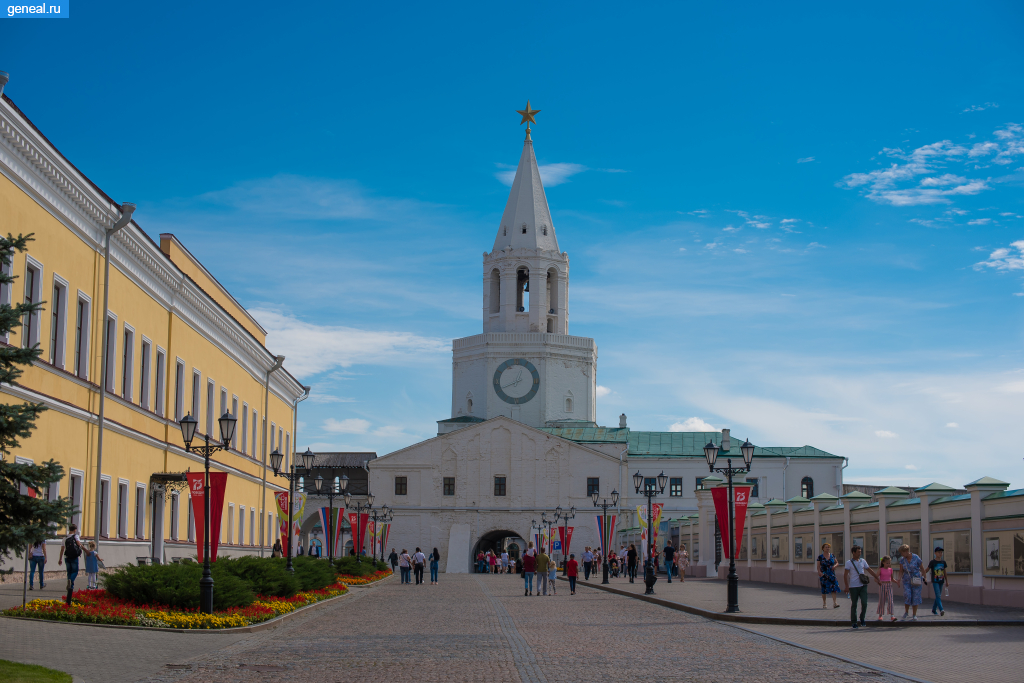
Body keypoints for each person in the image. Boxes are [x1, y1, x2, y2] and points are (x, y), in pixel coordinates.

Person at [843, 544, 878, 628]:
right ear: (853, 553)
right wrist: (846, 586)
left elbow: (869, 569)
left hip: (863, 585)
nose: (860, 553)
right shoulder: (849, 563)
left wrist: (877, 578)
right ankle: (854, 622)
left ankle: (862, 618)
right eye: (858, 552)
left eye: (860, 551)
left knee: (864, 603)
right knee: (854, 604)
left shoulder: (863, 561)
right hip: (853, 586)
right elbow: (845, 575)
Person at [895, 543, 926, 620]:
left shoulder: (916, 558)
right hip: (906, 580)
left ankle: (914, 614)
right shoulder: (902, 560)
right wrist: (898, 579)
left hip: (916, 580)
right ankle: (906, 612)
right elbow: (901, 571)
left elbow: (922, 568)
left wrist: (924, 577)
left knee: (916, 596)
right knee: (907, 595)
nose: (901, 554)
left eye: (902, 553)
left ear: (906, 551)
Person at [57, 523, 83, 605]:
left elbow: (62, 549)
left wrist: (60, 559)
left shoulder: (64, 538)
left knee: (69, 571)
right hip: (74, 557)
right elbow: (78, 544)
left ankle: (69, 583)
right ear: (75, 530)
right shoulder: (75, 536)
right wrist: (82, 547)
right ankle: (71, 582)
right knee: (75, 571)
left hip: (66, 556)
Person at [817, 542, 841, 609]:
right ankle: (824, 603)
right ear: (823, 549)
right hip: (824, 574)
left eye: (828, 547)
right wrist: (819, 572)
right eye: (826, 547)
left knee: (834, 588)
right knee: (824, 589)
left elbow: (837, 563)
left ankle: (835, 603)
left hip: (832, 574)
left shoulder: (832, 555)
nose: (827, 548)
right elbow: (818, 566)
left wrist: (835, 566)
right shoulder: (820, 557)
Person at [927, 547, 947, 616]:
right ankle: (941, 609)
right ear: (935, 553)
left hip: (941, 581)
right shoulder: (932, 562)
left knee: (938, 596)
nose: (940, 554)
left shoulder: (943, 562)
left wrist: (947, 581)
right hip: (935, 581)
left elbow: (944, 572)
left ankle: (934, 609)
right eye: (939, 552)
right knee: (938, 595)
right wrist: (922, 574)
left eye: (941, 552)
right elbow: (927, 569)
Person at [876, 556, 897, 621]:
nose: (888, 564)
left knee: (891, 600)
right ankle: (880, 615)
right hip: (882, 585)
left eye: (889, 563)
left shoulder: (890, 570)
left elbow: (892, 578)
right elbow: (875, 578)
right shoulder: (881, 569)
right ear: (883, 563)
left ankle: (892, 615)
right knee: (882, 600)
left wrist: (897, 582)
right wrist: (878, 581)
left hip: (889, 585)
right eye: (887, 563)